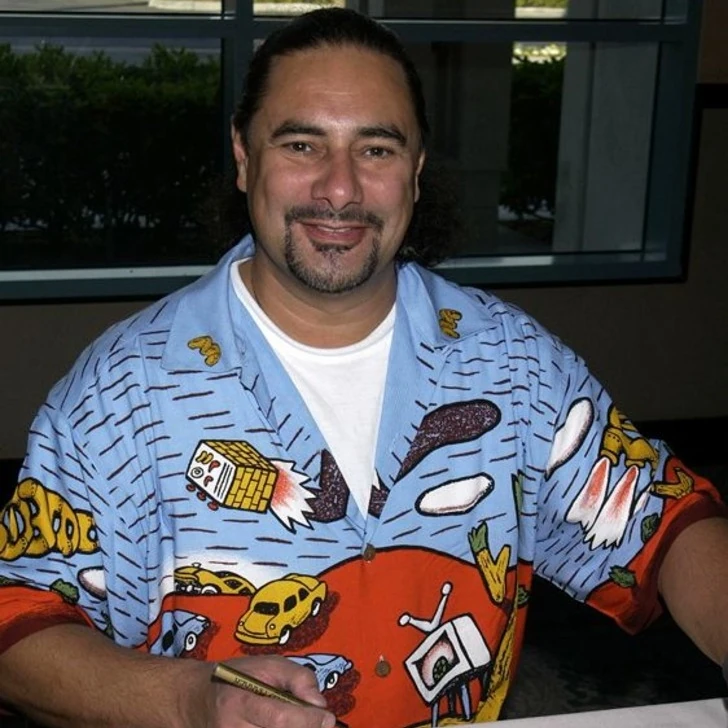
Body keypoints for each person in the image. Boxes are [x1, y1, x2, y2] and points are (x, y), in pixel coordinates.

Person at [0, 7, 726, 728]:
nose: (340, 189)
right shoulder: (122, 394)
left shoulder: (515, 365)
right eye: (302, 145)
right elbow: (17, 628)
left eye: (375, 149)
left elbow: (665, 524)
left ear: (416, 171)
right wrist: (189, 701)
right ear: (244, 157)